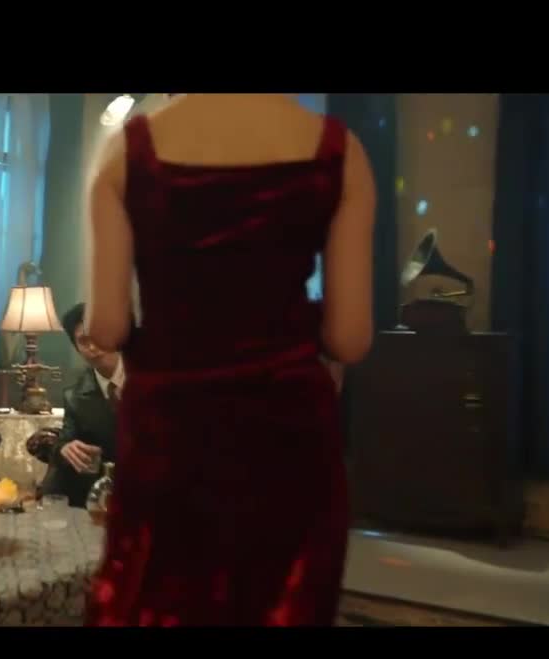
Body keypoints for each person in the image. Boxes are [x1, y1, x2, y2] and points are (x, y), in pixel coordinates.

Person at [83, 94, 376, 626]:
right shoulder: (339, 151)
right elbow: (350, 338)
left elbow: (106, 327)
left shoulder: (127, 152)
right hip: (288, 440)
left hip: (171, 437)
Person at [41, 302, 123, 507]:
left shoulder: (148, 377)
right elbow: (65, 440)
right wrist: (65, 449)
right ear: (77, 348)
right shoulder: (75, 395)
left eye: (98, 337)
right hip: (103, 494)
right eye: (83, 341)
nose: (93, 347)